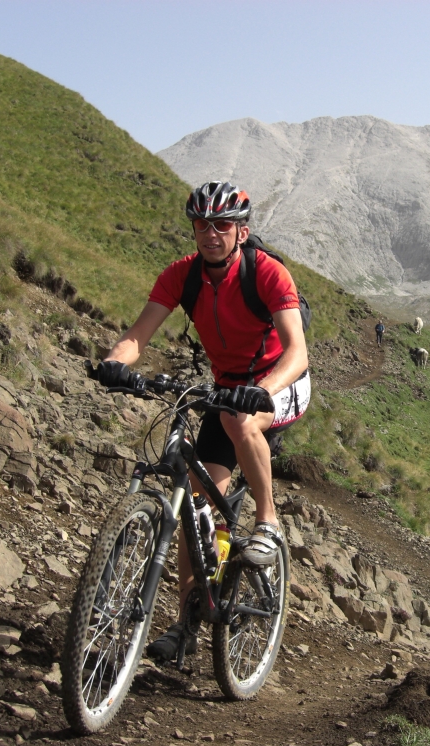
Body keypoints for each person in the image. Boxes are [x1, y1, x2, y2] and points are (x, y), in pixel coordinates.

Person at [95, 181, 310, 661]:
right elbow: (138, 335)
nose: (210, 234)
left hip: (281, 382)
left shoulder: (267, 272)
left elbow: (297, 352)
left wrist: (263, 390)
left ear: (241, 231)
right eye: (201, 225)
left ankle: (268, 522)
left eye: (222, 225)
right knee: (195, 504)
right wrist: (114, 362)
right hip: (226, 388)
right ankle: (186, 623)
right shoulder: (182, 275)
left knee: (241, 422)